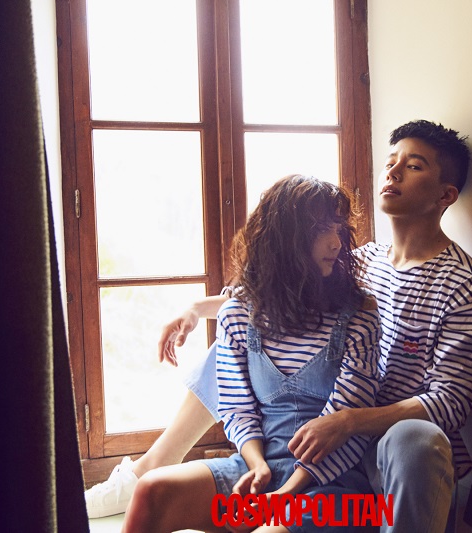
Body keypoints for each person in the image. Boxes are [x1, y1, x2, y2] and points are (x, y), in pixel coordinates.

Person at [86, 120, 472, 533]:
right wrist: (198, 308)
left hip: (379, 449)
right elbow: (277, 298)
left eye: (413, 166)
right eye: (391, 161)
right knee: (236, 339)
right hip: (306, 438)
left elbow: (450, 403)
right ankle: (153, 466)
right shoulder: (365, 260)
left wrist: (349, 421)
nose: (392, 172)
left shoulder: (466, 287)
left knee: (413, 438)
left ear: (445, 194)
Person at [120, 175, 382, 532]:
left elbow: (348, 429)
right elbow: (237, 408)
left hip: (334, 487)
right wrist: (257, 466)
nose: (336, 242)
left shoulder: (360, 316)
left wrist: (284, 495)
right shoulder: (238, 314)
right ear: (285, 238)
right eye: (322, 230)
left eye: (338, 229)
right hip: (260, 467)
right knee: (152, 491)